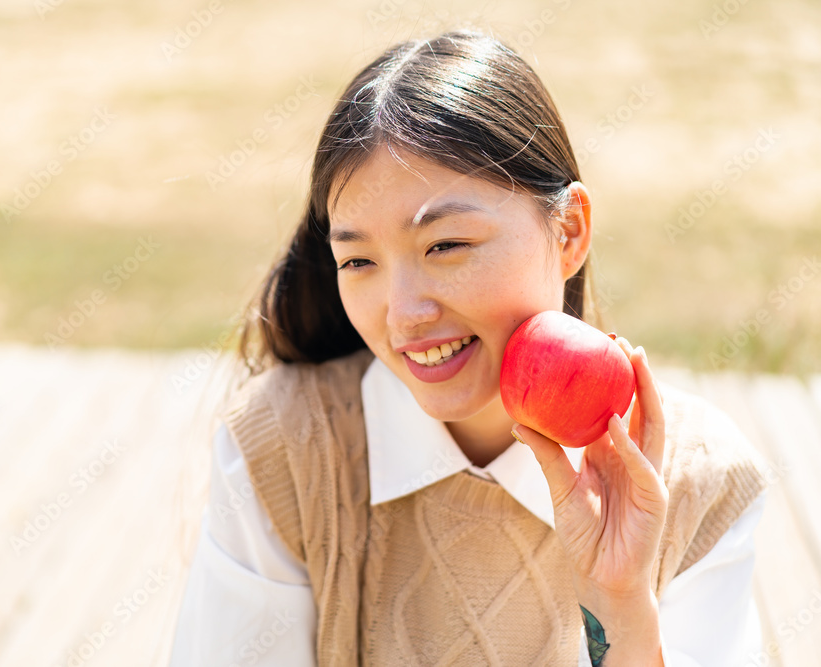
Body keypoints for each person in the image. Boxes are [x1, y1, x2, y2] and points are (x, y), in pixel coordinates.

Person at [169, 29, 770, 666]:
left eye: (446, 246)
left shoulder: (697, 483)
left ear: (568, 231)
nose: (404, 314)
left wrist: (619, 605)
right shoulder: (287, 450)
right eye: (359, 261)